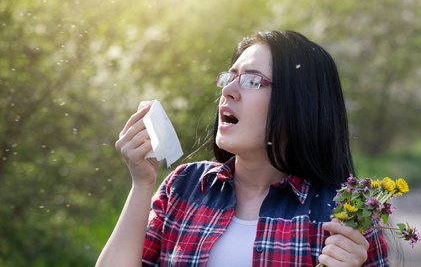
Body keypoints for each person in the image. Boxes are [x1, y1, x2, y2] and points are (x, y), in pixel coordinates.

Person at [96, 30, 389, 266]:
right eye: (229, 77)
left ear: (300, 103)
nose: (227, 91)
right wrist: (142, 183)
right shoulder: (183, 188)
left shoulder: (345, 214)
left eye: (252, 80)